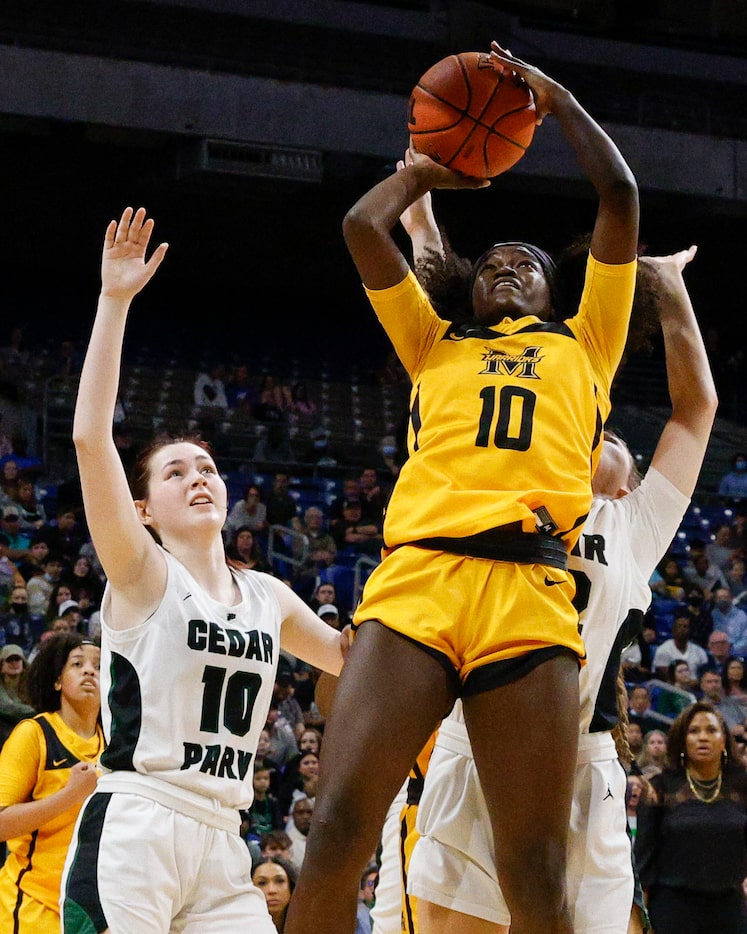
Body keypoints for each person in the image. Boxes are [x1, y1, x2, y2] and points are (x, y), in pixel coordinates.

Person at [285, 40, 640, 934]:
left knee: (533, 869)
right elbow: (362, 229)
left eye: (525, 260)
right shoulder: (431, 342)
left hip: (527, 590)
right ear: (465, 287)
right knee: (333, 833)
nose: (504, 263)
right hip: (418, 582)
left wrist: (555, 104)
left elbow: (620, 198)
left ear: (559, 290)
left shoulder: (587, 342)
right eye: (489, 260)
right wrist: (426, 174)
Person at [59, 207, 347, 934]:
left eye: (209, 469)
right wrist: (114, 300)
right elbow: (91, 439)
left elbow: (351, 660)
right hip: (137, 824)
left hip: (224, 839)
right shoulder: (142, 572)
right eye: (176, 472)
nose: (199, 478)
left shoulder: (270, 597)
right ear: (145, 508)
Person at [0, 633, 103, 933]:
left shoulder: (116, 746)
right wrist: (70, 795)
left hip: (90, 912)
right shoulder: (33, 734)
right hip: (32, 906)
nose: (89, 671)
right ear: (57, 681)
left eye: (98, 666)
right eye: (78, 663)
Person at [636, 702, 747, 933]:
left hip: (730, 907)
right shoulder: (660, 787)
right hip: (672, 909)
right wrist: (639, 920)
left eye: (711, 730)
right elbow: (644, 859)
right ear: (682, 740)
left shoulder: (742, 787)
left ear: (724, 740)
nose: (703, 737)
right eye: (694, 731)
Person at [652, 612, 709, 680]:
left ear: (690, 630)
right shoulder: (663, 650)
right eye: (679, 626)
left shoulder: (699, 651)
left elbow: (706, 674)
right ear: (673, 630)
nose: (682, 629)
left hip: (694, 687)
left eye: (685, 626)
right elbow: (662, 676)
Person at [0, 644, 35, 749]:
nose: (14, 663)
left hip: (28, 726)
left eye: (17, 659)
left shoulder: (32, 683)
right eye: (9, 660)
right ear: (1, 665)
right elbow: (5, 706)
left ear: (23, 663)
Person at [251, 856, 297, 933]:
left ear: (291, 886)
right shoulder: (238, 927)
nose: (271, 890)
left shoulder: (310, 924)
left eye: (280, 881)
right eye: (262, 883)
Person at [712, 587, 747, 656]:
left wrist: (732, 649)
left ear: (731, 599)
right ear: (715, 600)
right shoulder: (712, 614)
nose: (722, 600)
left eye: (725, 597)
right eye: (719, 598)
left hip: (738, 652)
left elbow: (745, 638)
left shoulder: (741, 615)